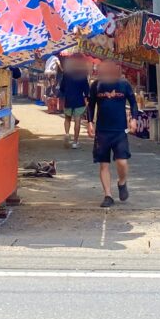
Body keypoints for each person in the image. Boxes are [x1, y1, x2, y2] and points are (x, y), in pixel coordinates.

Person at [86, 60, 139, 207]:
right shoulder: (96, 86)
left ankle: (122, 182)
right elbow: (90, 106)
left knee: (122, 162)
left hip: (120, 130)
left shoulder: (124, 84)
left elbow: (134, 103)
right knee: (104, 165)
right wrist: (90, 123)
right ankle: (108, 195)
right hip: (102, 131)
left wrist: (134, 119)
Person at [57, 53, 91, 148]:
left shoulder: (67, 73)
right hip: (79, 100)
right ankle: (75, 142)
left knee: (67, 118)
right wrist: (87, 97)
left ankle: (67, 134)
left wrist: (64, 94)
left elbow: (62, 87)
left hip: (68, 99)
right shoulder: (82, 74)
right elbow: (86, 89)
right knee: (77, 120)